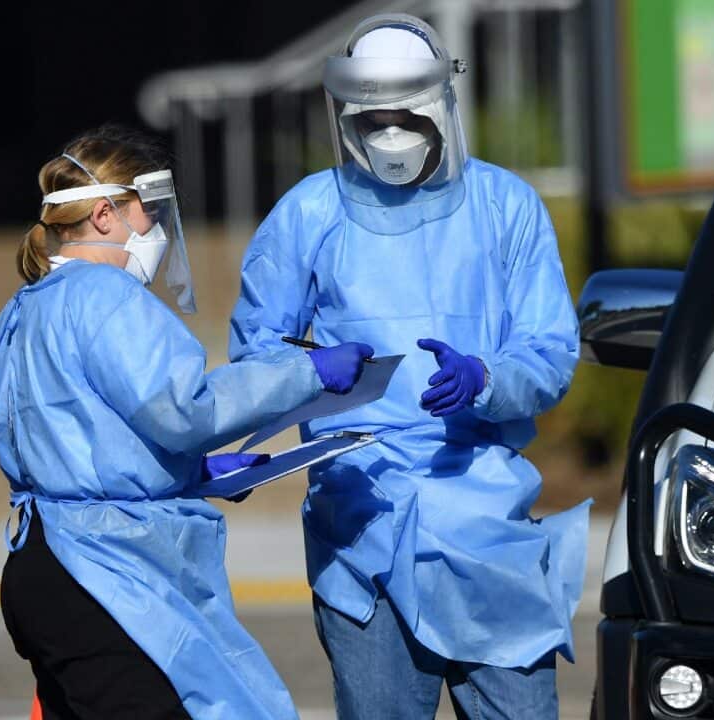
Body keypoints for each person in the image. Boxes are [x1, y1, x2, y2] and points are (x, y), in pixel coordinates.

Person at [229, 14, 588, 720]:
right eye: (375, 120)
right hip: (362, 531)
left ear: (441, 107)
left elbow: (549, 350)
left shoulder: (505, 206)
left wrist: (484, 380)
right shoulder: (308, 214)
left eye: (405, 117)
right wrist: (309, 374)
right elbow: (255, 356)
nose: (391, 137)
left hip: (487, 526)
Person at [0, 125, 374, 720]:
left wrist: (191, 471)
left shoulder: (22, 307)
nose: (159, 231)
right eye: (152, 212)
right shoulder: (106, 297)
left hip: (39, 563)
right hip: (105, 570)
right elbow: (186, 408)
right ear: (108, 214)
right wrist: (307, 372)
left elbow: (72, 436)